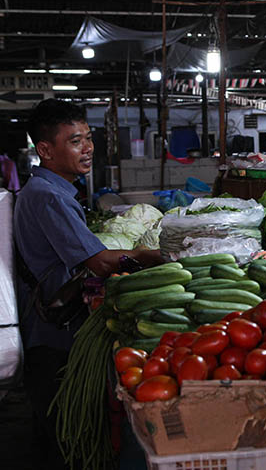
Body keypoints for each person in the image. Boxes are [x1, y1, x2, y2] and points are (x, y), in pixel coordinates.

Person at [14, 99, 163, 468]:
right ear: (46, 150)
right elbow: (97, 261)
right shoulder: (48, 196)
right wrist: (150, 257)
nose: (88, 148)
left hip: (50, 330)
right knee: (64, 438)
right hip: (53, 336)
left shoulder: (52, 191)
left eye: (88, 138)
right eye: (76, 140)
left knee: (57, 434)